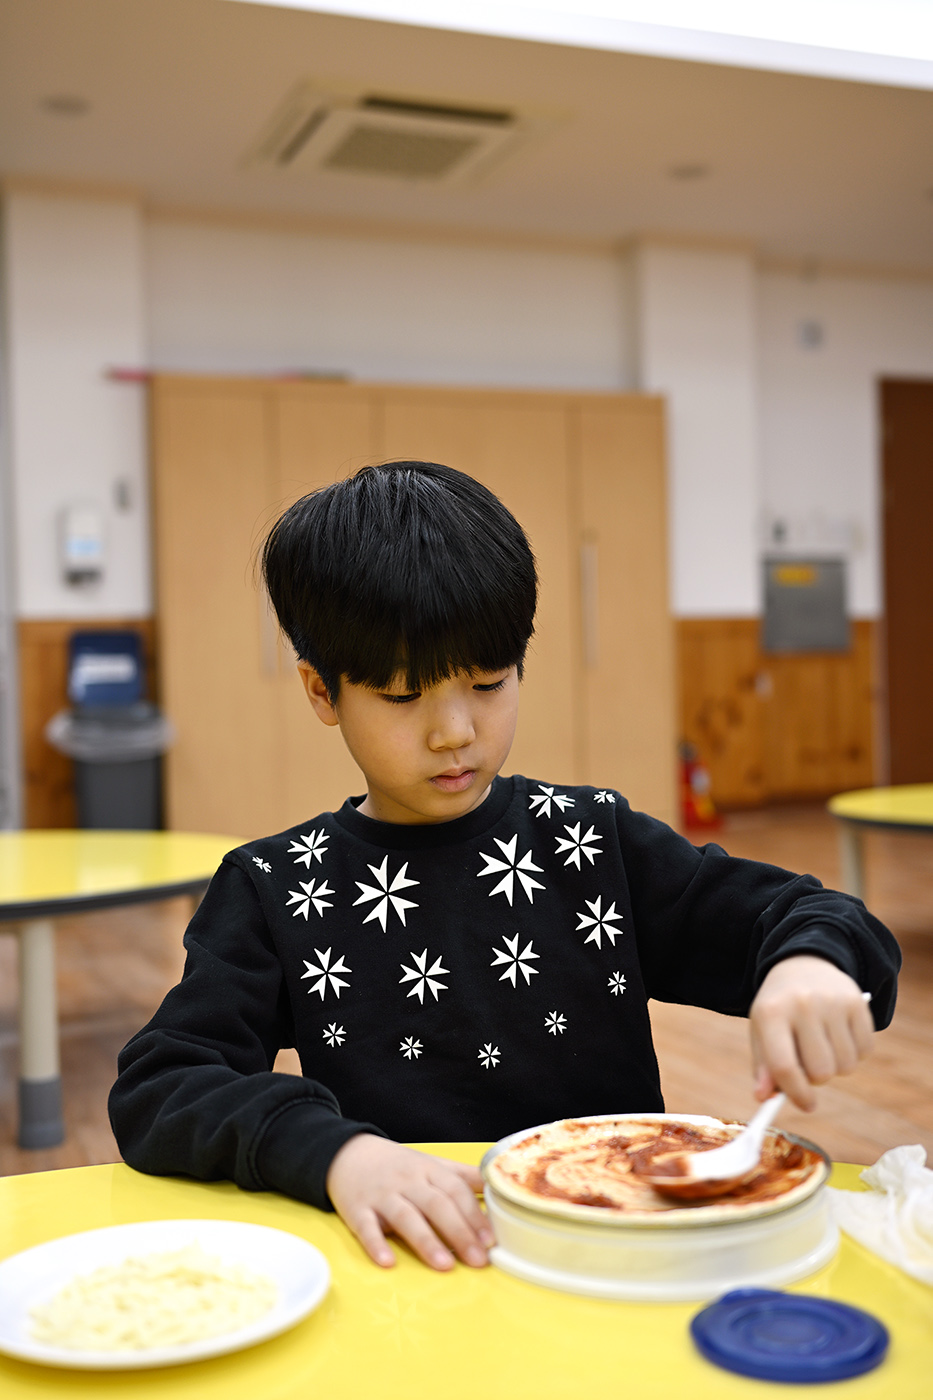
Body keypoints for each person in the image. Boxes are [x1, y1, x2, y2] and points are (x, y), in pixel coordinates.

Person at [109, 460, 900, 1275]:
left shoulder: (590, 843)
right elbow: (162, 1085)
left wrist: (810, 963)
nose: (454, 731)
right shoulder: (277, 887)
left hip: (610, 1253)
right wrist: (336, 1153)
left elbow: (810, 916)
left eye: (487, 684)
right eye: (403, 696)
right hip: (415, 1266)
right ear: (321, 692)